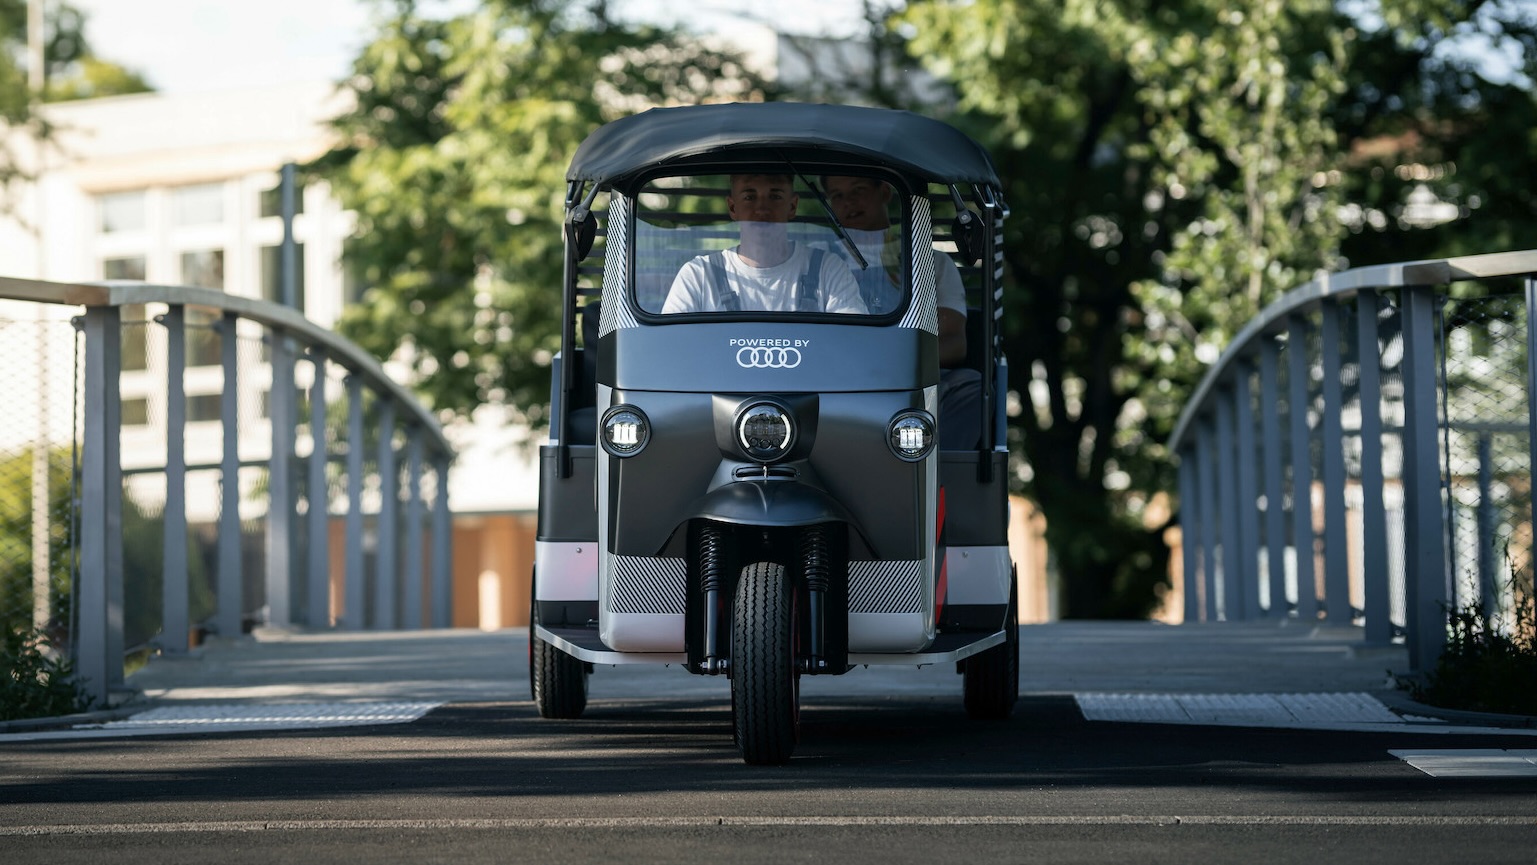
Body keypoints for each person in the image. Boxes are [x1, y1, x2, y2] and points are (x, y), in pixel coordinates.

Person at [823, 175, 983, 449]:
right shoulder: (817, 259)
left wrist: (887, 363)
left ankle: (932, 476)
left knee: (972, 387)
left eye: (858, 189)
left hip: (915, 382)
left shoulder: (934, 263)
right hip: (836, 380)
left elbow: (955, 344)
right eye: (837, 195)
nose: (848, 202)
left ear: (885, 192)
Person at [662, 174, 866, 315]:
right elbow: (671, 349)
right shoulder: (698, 275)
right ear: (733, 208)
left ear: (792, 206)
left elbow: (852, 343)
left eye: (775, 196)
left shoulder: (829, 270)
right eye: (750, 196)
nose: (762, 208)